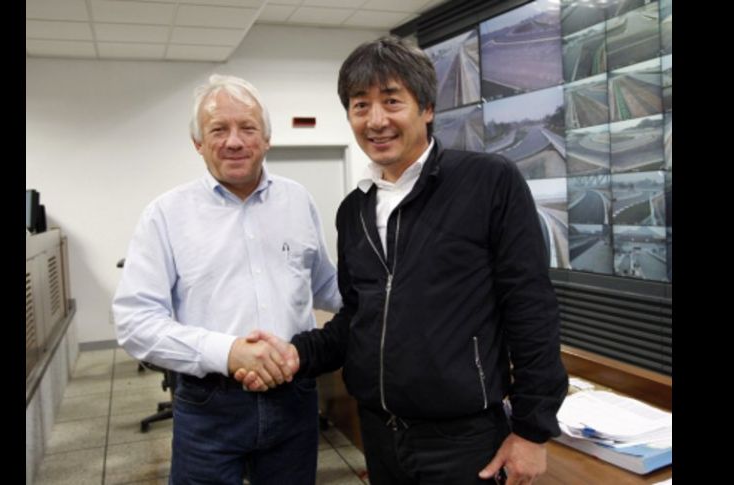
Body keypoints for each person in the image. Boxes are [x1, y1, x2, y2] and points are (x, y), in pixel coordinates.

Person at [238, 36, 569, 484]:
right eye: (360, 106)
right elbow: (358, 316)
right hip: (380, 435)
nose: (376, 121)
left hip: (464, 441)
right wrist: (296, 353)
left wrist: (533, 430)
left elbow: (531, 308)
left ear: (426, 108)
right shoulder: (353, 210)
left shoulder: (488, 182)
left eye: (391, 101)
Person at [112, 74, 341, 484]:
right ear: (198, 143)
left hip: (295, 401)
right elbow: (135, 323)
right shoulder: (166, 215)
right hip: (209, 407)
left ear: (267, 139)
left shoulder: (297, 201)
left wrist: (394, 297)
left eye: (247, 128)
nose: (234, 141)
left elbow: (325, 286)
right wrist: (228, 352)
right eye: (219, 129)